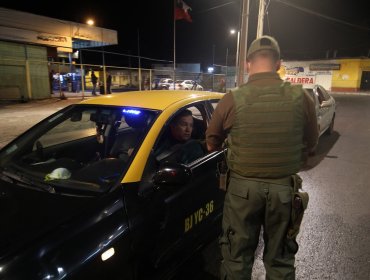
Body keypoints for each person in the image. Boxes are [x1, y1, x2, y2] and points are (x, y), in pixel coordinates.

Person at [205, 36, 319, 280]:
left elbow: (211, 140)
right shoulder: (301, 97)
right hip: (283, 191)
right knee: (280, 260)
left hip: (241, 191)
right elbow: (312, 143)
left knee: (236, 259)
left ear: (248, 64)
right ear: (279, 64)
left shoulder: (232, 98)